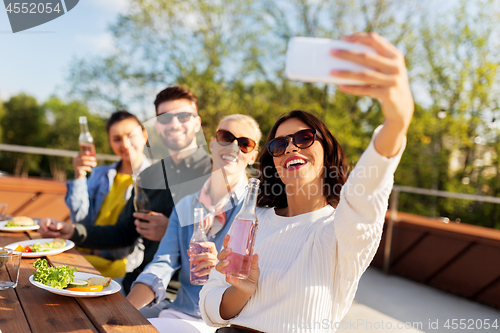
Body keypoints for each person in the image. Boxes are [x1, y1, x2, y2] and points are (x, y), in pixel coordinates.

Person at [199, 32, 414, 333]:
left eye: (303, 138)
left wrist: (397, 122)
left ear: (326, 152)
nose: (290, 148)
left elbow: (365, 192)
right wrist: (241, 290)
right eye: (278, 144)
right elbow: (210, 305)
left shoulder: (340, 231)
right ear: (272, 160)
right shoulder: (252, 221)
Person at [39, 86, 212, 293]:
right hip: (139, 284)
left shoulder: (218, 175)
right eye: (165, 118)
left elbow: (230, 247)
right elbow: (124, 232)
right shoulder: (149, 176)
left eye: (183, 116)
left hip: (185, 294)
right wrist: (72, 231)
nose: (174, 124)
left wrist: (172, 232)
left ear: (197, 123)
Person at [127, 114, 261, 333]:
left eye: (245, 144)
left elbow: (257, 276)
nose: (233, 147)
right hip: (180, 313)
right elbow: (163, 263)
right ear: (211, 143)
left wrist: (219, 269)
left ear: (253, 156)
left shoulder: (258, 209)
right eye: (226, 137)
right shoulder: (186, 205)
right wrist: (127, 308)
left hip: (228, 323)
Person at [65, 110, 150, 278]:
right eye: (117, 139)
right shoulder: (99, 174)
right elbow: (81, 221)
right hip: (85, 251)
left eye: (131, 135)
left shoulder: (155, 179)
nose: (125, 144)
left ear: (144, 136)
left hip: (119, 263)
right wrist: (79, 176)